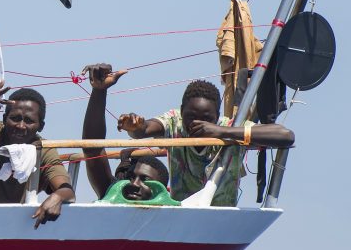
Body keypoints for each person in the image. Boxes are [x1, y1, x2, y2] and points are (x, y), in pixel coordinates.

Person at [118, 78, 295, 206]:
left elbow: (286, 135)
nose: (197, 123)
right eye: (191, 117)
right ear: (182, 112)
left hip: (220, 218)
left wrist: (223, 132)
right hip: (183, 213)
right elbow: (144, 129)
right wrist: (134, 127)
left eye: (206, 119)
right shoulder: (175, 121)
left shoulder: (231, 127)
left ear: (217, 117)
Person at [0, 83, 75, 227]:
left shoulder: (44, 150)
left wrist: (57, 196)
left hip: (8, 229)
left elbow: (67, 190)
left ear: (40, 126)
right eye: (15, 118)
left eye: (29, 121)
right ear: (4, 119)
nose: (21, 126)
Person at [80, 62, 175, 203]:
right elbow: (92, 148)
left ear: (162, 189)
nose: (134, 184)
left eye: (145, 180)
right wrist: (99, 91)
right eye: (131, 177)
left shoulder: (174, 213)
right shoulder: (114, 196)